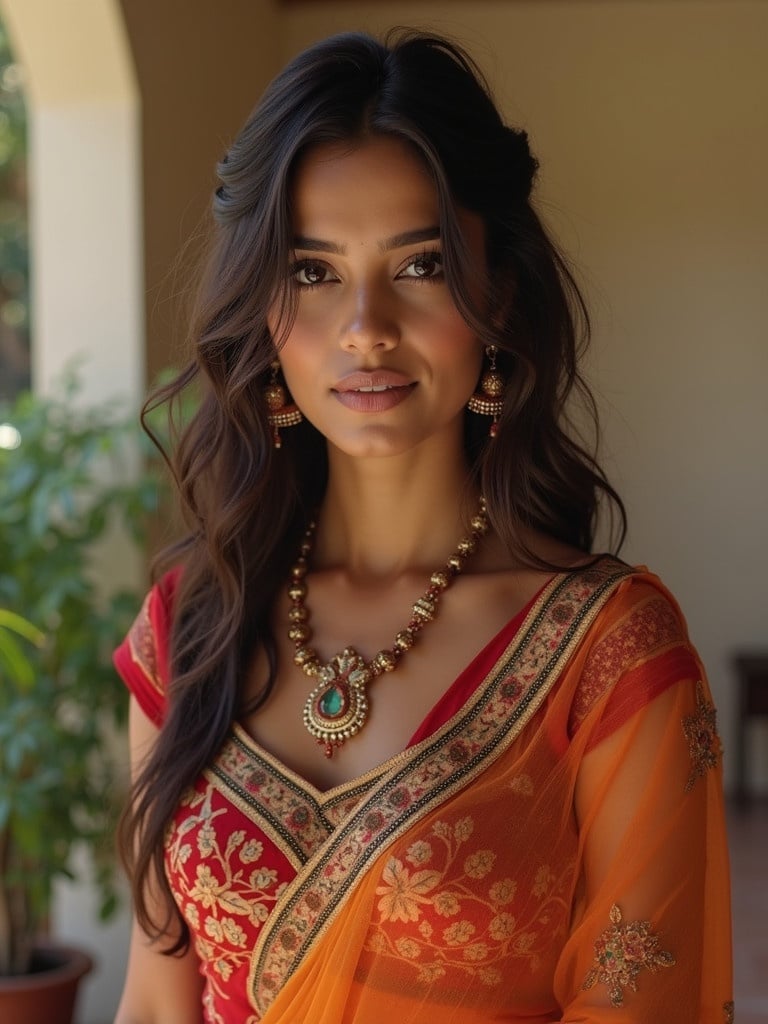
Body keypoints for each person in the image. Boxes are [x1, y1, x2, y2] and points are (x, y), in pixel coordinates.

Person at [112, 28, 733, 1024]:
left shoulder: (609, 656)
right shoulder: (192, 625)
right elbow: (151, 1002)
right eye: (312, 271)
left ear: (498, 292)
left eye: (420, 264)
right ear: (261, 309)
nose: (364, 324)